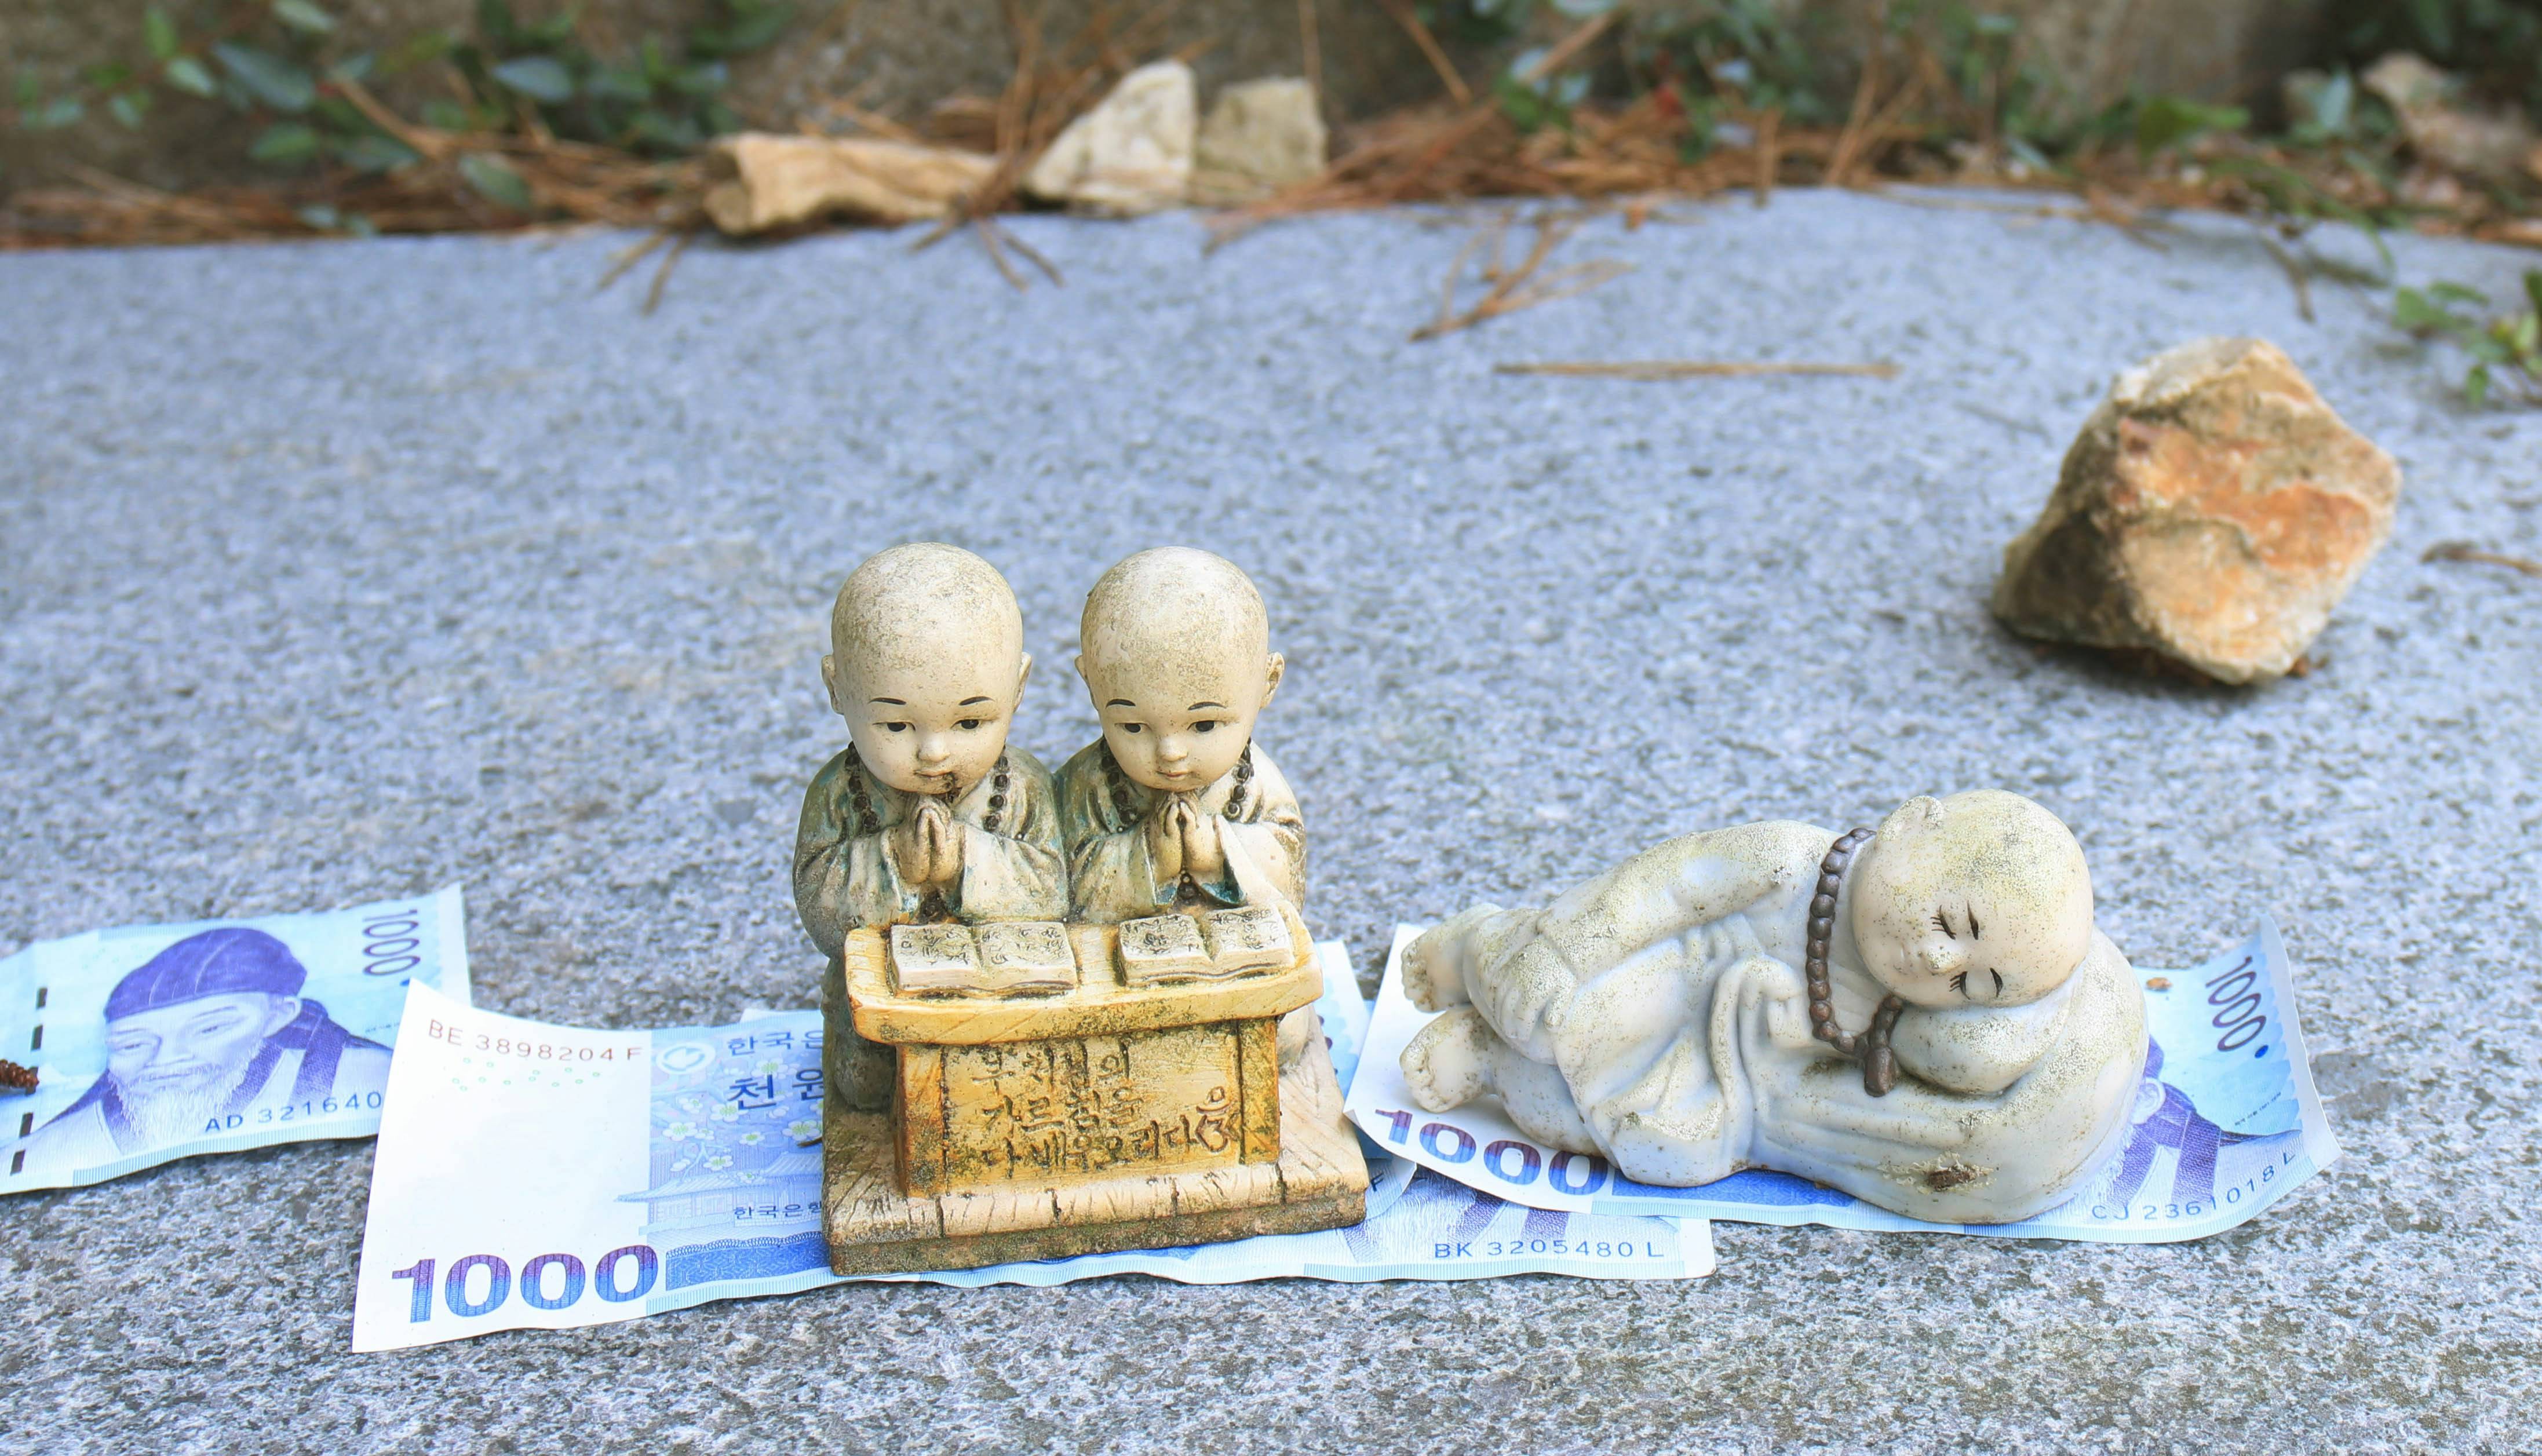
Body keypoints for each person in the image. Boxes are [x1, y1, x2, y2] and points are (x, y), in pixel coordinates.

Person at [1398, 790, 2148, 1225]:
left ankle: (1488, 1060)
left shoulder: (1901, 1008)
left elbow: (1987, 1050)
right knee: (1547, 1015)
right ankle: (1479, 947)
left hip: (1715, 1061)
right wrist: (1566, 950)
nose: (1939, 962)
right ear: (1911, 823)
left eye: (1970, 985)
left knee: (1658, 1147)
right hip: (1670, 973)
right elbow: (1663, 887)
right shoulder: (1789, 861)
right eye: (1954, 924)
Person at [794, 543, 1067, 1107]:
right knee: (869, 1086)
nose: (934, 751)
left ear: (1017, 687)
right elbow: (819, 911)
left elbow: (1055, 894)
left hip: (1000, 982)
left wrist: (966, 859)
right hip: (885, 987)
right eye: (896, 725)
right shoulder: (837, 791)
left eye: (970, 721)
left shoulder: (1024, 785)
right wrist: (895, 861)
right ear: (837, 689)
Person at [1055, 548, 1305, 924]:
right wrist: (1149, 856)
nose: (1170, 752)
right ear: (1092, 686)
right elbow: (1059, 881)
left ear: (1267, 683)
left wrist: (1215, 851)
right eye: (1133, 727)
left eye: (1204, 726)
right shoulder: (1086, 785)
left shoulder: (1258, 785)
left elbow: (1288, 867)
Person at [23, 927, 390, 1166]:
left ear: (279, 1015)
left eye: (210, 1028)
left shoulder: (366, 1074)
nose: (166, 1061)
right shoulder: (58, 1146)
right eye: (132, 1044)